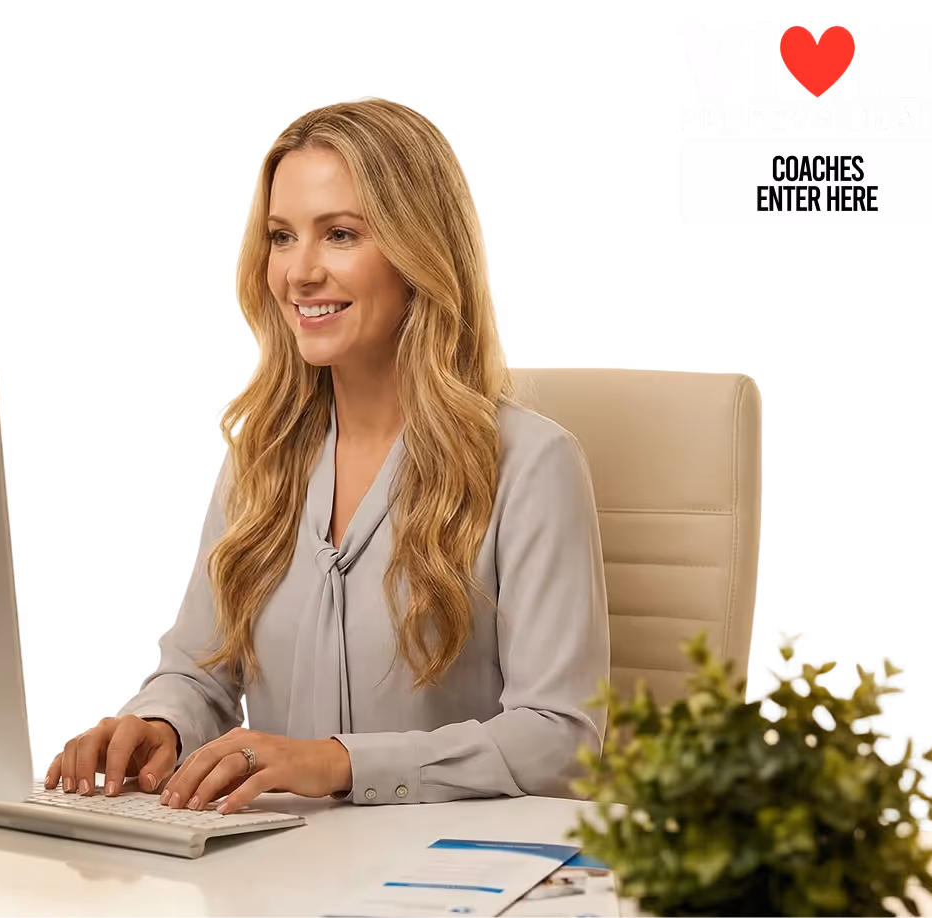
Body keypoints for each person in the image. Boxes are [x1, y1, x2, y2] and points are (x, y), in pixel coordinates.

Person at [42, 96, 610, 812]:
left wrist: (339, 763)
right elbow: (199, 673)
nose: (298, 273)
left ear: (420, 253)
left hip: (434, 881)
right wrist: (155, 723)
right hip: (265, 871)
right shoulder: (261, 451)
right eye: (282, 237)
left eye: (340, 234)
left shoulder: (532, 463)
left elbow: (561, 738)